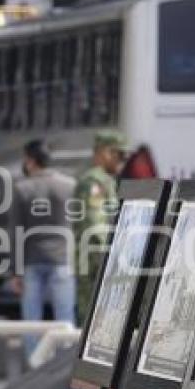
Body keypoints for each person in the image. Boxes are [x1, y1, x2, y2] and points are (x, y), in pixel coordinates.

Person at [10, 139, 77, 354]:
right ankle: (66, 370)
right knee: (65, 319)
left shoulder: (21, 188)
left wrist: (15, 271)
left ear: (30, 161)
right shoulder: (69, 186)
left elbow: (16, 232)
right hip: (62, 259)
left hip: (31, 261)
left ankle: (35, 367)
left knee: (32, 322)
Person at [72, 131, 127, 325]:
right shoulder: (93, 182)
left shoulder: (105, 181)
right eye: (120, 154)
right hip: (95, 265)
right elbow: (94, 228)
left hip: (100, 263)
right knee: (91, 323)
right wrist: (110, 263)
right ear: (105, 152)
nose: (123, 160)